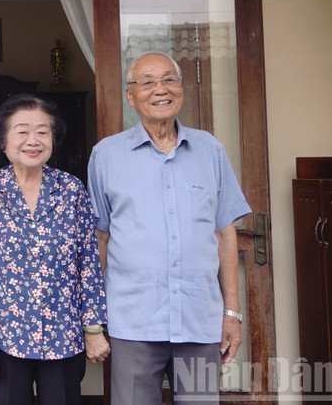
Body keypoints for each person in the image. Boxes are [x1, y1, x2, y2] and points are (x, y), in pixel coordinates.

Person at [87, 51, 252, 404]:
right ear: (131, 97)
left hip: (199, 319)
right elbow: (99, 239)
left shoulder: (210, 150)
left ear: (181, 89)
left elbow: (225, 233)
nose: (160, 89)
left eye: (169, 80)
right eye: (147, 82)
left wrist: (232, 314)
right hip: (133, 322)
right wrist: (93, 318)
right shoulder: (106, 156)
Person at [0, 94, 109, 405]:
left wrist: (94, 328)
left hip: (63, 335)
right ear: (4, 141)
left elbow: (89, 265)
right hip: (6, 338)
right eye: (22, 131)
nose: (33, 140)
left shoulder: (72, 190)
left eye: (43, 132)